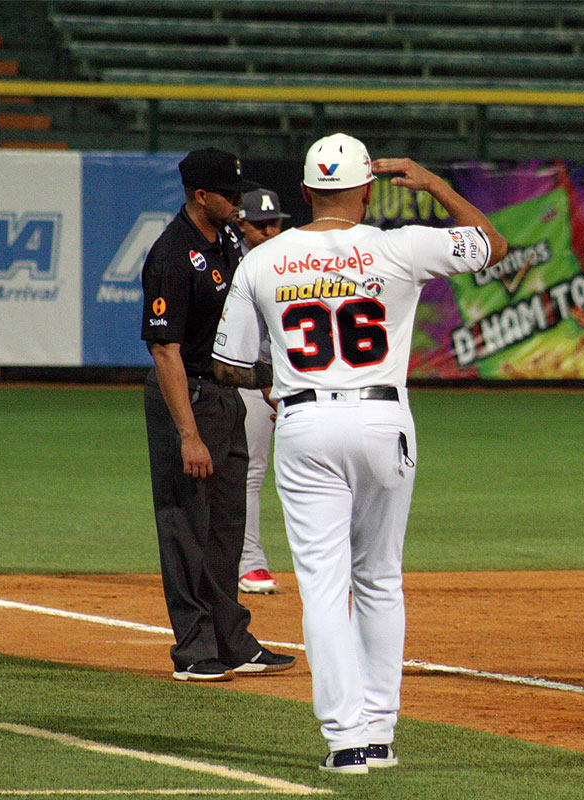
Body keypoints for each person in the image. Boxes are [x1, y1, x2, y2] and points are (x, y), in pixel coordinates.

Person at [212, 133, 506, 772]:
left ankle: (345, 742)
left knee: (324, 585)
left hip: (304, 423)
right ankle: (380, 732)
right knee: (380, 578)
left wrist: (281, 374)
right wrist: (434, 185)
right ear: (367, 190)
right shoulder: (398, 245)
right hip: (382, 419)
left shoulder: (264, 258)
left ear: (306, 191)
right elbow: (492, 244)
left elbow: (229, 364)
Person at [140, 147, 296, 682]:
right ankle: (192, 648)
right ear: (200, 195)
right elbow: (165, 351)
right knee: (186, 523)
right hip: (189, 398)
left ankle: (231, 639)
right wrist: (187, 433)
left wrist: (268, 384)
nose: (238, 201)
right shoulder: (171, 254)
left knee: (227, 524)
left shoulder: (229, 242)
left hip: (227, 396)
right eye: (229, 194)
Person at [233, 187, 292, 595]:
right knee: (251, 472)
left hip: (294, 377)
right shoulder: (233, 263)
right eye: (260, 224)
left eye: (275, 223)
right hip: (250, 379)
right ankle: (249, 562)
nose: (270, 230)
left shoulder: (291, 258)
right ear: (241, 225)